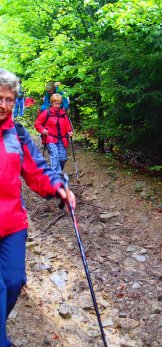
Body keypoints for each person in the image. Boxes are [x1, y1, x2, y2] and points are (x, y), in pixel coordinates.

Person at [0, 68, 76, 347]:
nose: (4, 105)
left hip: (11, 224)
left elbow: (37, 170)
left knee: (14, 281)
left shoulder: (17, 134)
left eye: (9, 99)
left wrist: (58, 187)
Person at [34, 93, 73, 175]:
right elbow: (37, 124)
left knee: (63, 158)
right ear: (51, 103)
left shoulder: (63, 114)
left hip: (62, 139)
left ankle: (57, 171)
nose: (57, 105)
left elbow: (67, 125)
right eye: (55, 103)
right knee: (55, 156)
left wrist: (70, 131)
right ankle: (56, 177)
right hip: (50, 138)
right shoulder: (46, 112)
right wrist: (43, 130)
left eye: (59, 104)